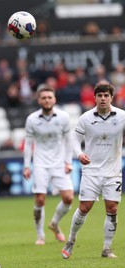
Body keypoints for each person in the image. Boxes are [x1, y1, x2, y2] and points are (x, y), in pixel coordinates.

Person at [61, 81, 124, 259]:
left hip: (113, 171)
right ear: (95, 97)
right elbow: (74, 138)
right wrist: (79, 154)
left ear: (112, 97)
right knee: (84, 207)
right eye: (100, 95)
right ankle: (71, 241)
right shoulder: (86, 117)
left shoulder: (121, 116)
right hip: (91, 171)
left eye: (106, 95)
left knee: (112, 208)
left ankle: (106, 248)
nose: (103, 98)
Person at [22, 85, 74, 246]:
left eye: (49, 97)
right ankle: (40, 235)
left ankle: (54, 223)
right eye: (43, 98)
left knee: (68, 197)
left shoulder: (64, 117)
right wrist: (27, 166)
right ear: (39, 100)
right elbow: (28, 143)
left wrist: (68, 162)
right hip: (40, 163)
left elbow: (69, 141)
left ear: (54, 99)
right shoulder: (32, 119)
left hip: (59, 163)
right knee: (40, 199)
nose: (47, 100)